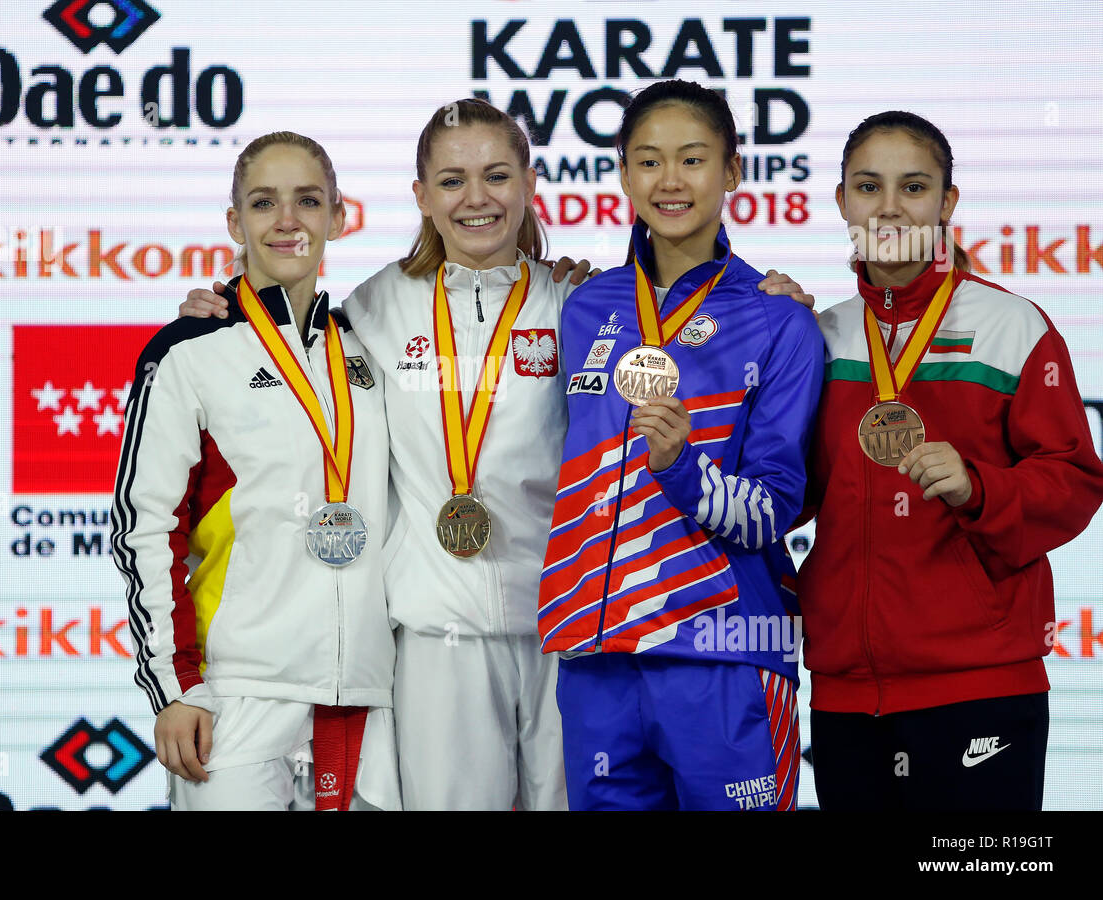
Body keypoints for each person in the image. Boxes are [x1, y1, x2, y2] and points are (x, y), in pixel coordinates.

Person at [175, 98, 589, 810]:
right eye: (452, 181)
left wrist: (776, 298)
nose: (477, 199)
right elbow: (287, 345)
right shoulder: (375, 308)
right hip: (436, 635)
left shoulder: (579, 301)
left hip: (569, 628)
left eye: (497, 175)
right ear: (422, 196)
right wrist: (225, 312)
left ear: (527, 183)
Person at [764, 110, 1103, 809]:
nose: (889, 207)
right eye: (868, 186)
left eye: (913, 187)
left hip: (981, 682)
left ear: (948, 202)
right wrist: (753, 342)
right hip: (846, 689)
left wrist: (980, 488)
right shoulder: (818, 336)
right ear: (841, 203)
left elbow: (1074, 481)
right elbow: (782, 493)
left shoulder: (1014, 328)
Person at [538, 79, 825, 810]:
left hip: (723, 653)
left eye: (693, 160)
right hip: (597, 658)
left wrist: (683, 471)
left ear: (732, 172)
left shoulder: (778, 321)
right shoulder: (584, 307)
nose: (670, 181)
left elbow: (776, 509)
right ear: (623, 172)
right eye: (648, 161)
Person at [111, 131, 399, 810]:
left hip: (362, 693)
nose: (288, 220)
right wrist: (176, 688)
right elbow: (143, 528)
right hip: (237, 696)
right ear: (236, 222)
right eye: (264, 203)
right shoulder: (189, 350)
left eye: (308, 200)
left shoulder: (371, 346)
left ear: (338, 214)